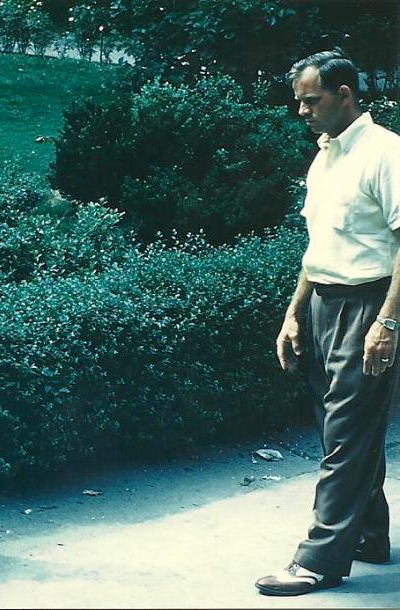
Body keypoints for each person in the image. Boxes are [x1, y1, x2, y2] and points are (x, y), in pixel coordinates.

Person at [255, 50, 400, 597]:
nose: (301, 111)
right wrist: (294, 312)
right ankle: (368, 534)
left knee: (345, 433)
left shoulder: (386, 153)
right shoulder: (325, 158)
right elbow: (318, 247)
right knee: (342, 431)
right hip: (323, 304)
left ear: (345, 95)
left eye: (310, 101)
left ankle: (318, 560)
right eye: (299, 101)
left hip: (368, 305)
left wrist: (388, 322)